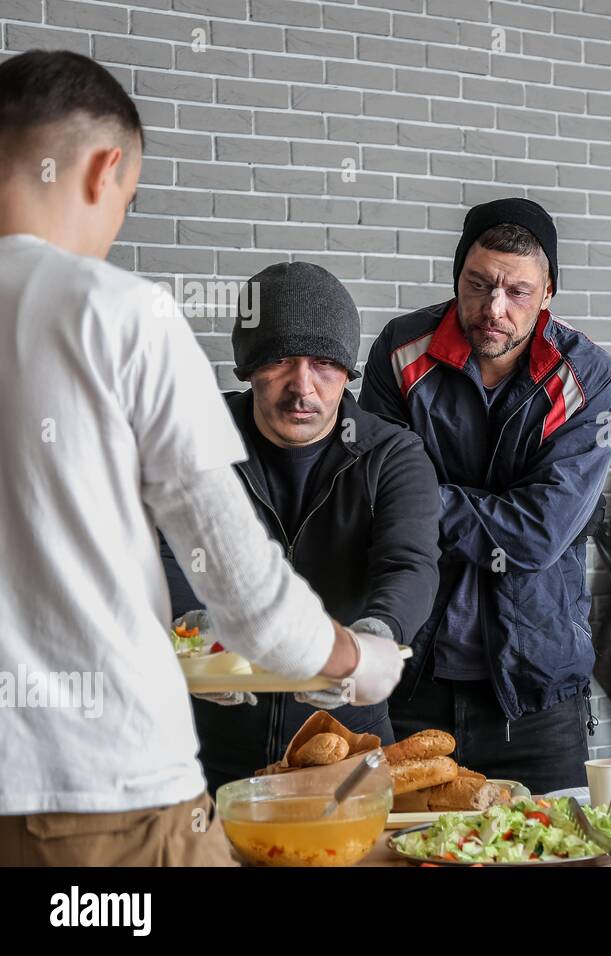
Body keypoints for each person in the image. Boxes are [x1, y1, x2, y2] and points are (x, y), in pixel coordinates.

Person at [0, 50, 403, 865]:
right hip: (99, 795)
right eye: (130, 198)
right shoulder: (119, 316)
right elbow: (245, 594)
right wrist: (360, 660)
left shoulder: (391, 456)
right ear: (106, 168)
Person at [359, 197, 611, 794]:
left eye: (518, 292)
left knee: (553, 856)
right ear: (457, 275)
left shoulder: (587, 379)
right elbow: (380, 499)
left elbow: (538, 535)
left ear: (549, 291)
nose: (493, 310)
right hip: (410, 676)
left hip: (536, 693)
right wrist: (475, 507)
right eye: (478, 285)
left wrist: (429, 496)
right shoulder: (402, 352)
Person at [162, 262, 441, 791]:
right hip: (201, 752)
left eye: (325, 364)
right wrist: (190, 631)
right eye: (281, 361)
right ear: (247, 368)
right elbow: (162, 550)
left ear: (348, 372)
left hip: (345, 749)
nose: (302, 387)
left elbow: (409, 564)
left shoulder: (392, 454)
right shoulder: (201, 437)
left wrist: (373, 638)